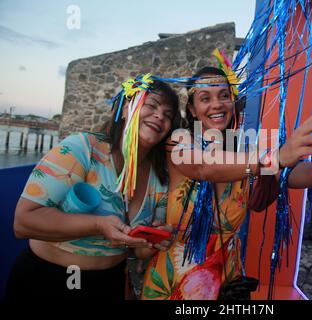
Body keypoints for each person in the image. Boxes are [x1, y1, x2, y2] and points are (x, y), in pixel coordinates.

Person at [138, 65, 312, 300]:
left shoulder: (247, 150)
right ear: (192, 109)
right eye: (205, 98)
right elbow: (204, 167)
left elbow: (289, 175)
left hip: (228, 283)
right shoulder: (179, 142)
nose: (217, 104)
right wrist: (275, 157)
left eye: (224, 96)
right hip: (174, 283)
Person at [5, 74, 180, 300]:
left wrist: (156, 240)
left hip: (109, 283)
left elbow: (137, 250)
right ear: (127, 108)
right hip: (49, 279)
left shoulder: (160, 177)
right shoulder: (82, 149)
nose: (159, 116)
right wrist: (98, 224)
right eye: (152, 105)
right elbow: (23, 222)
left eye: (168, 114)